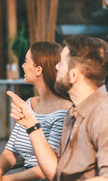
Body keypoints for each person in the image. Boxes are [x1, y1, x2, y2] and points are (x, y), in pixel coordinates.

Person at [9, 36, 108, 180]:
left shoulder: (103, 114)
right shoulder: (73, 112)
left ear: (73, 75)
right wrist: (32, 125)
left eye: (62, 64)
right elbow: (54, 171)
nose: (56, 67)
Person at [0, 41, 71, 181]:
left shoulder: (63, 112)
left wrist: (5, 180)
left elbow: (48, 168)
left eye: (25, 61)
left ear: (38, 70)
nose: (22, 66)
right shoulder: (28, 104)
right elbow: (10, 152)